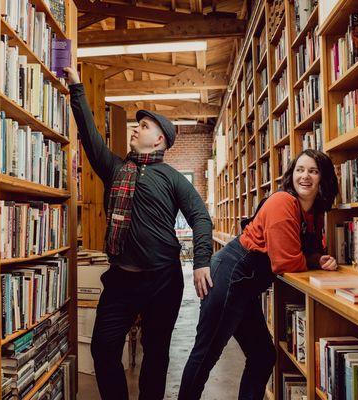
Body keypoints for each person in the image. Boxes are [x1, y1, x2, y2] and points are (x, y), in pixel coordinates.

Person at [64, 66, 213, 400]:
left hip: (164, 280)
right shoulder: (115, 169)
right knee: (103, 350)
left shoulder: (173, 178)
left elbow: (201, 218)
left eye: (144, 126)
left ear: (159, 138)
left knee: (156, 356)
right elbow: (89, 135)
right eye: (138, 124)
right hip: (121, 280)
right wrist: (77, 89)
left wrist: (202, 261)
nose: (136, 128)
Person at [179, 149, 339, 400]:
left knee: (263, 355)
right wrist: (309, 259)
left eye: (313, 171)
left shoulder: (314, 211)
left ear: (323, 178)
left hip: (244, 285)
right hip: (230, 277)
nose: (305, 176)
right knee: (206, 354)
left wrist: (317, 258)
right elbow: (284, 261)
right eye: (300, 169)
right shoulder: (283, 202)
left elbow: (305, 250)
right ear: (291, 174)